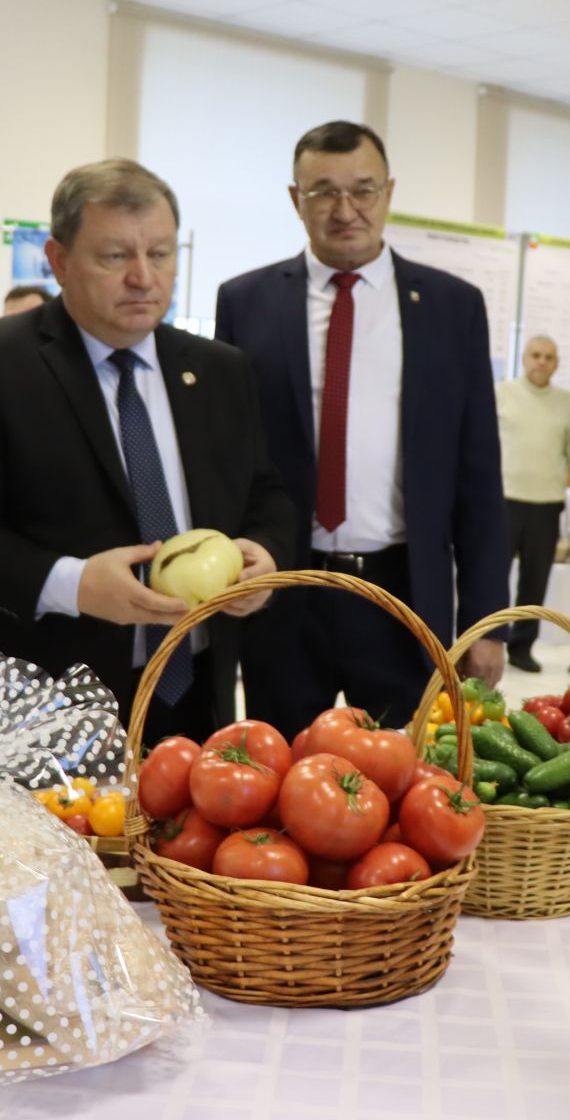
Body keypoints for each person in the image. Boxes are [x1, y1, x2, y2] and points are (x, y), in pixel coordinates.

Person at [0, 160, 294, 743]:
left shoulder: (219, 369)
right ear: (59, 260)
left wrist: (265, 555)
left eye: (162, 254)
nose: (144, 278)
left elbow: (265, 491)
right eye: (116, 257)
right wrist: (72, 583)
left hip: (194, 695)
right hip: (46, 701)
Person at [214, 120, 508, 731]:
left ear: (389, 193)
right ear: (296, 199)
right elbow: (229, 461)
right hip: (284, 591)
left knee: (408, 783)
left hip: (406, 595)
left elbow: (479, 473)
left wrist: (487, 619)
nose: (345, 209)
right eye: (323, 191)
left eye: (363, 190)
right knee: (281, 784)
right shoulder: (246, 302)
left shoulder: (453, 307)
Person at [496, 334, 570, 672]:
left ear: (556, 364)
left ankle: (521, 647)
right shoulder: (501, 393)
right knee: (493, 575)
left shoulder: (568, 402)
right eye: (535, 355)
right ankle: (485, 640)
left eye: (548, 357)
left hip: (546, 502)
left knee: (535, 578)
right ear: (524, 358)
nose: (541, 362)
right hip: (504, 499)